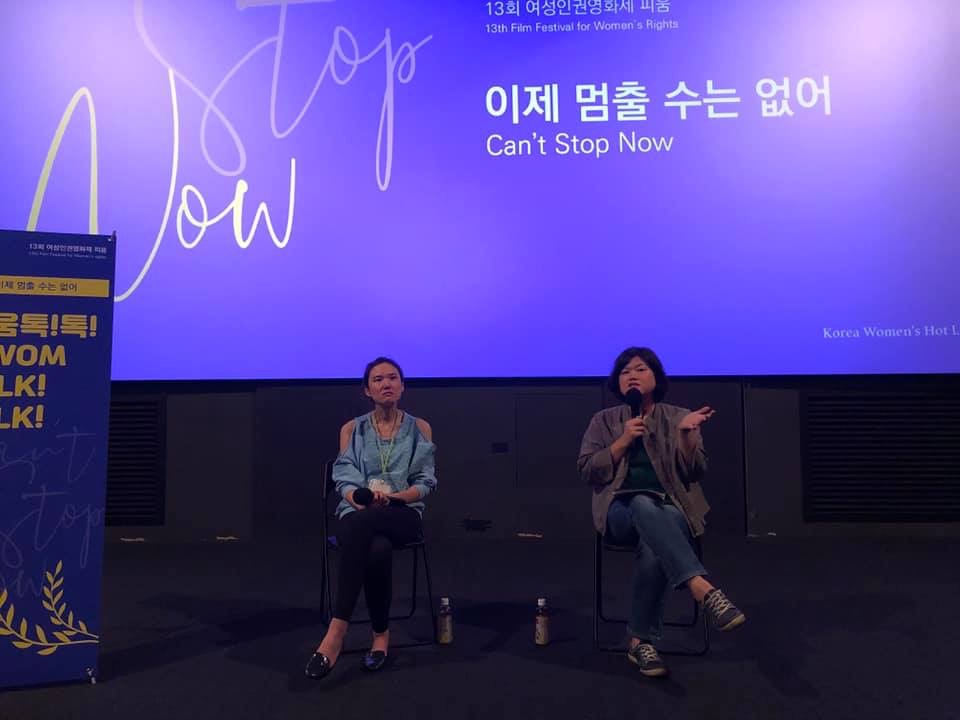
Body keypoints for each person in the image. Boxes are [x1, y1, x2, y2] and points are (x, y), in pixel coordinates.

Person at [578, 347, 745, 678]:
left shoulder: (678, 417)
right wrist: (622, 442)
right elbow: (587, 471)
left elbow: (694, 473)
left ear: (656, 377)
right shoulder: (604, 421)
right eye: (625, 371)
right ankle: (701, 587)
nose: (632, 375)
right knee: (641, 503)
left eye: (640, 369)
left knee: (654, 543)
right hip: (619, 514)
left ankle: (640, 642)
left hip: (672, 511)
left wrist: (686, 437)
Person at [305, 357, 437, 679]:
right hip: (360, 512)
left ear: (403, 386)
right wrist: (360, 500)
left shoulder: (420, 428)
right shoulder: (352, 429)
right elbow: (344, 479)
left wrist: (392, 499)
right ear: (367, 390)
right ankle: (380, 636)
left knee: (362, 528)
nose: (386, 384)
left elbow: (425, 482)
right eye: (378, 379)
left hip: (402, 515)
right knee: (376, 548)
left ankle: (336, 632)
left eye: (392, 378)